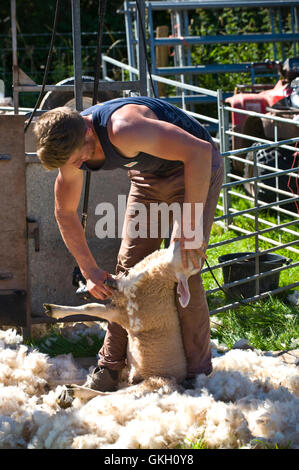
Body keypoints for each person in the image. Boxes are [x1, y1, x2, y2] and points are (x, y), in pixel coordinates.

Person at [34, 95, 224, 391]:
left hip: (195, 170)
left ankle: (198, 374)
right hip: (148, 178)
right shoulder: (71, 143)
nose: (79, 165)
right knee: (125, 271)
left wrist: (188, 226)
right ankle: (110, 367)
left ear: (87, 130)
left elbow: (198, 152)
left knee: (184, 267)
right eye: (73, 164)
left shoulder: (125, 128)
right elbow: (65, 211)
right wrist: (90, 270)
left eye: (78, 159)